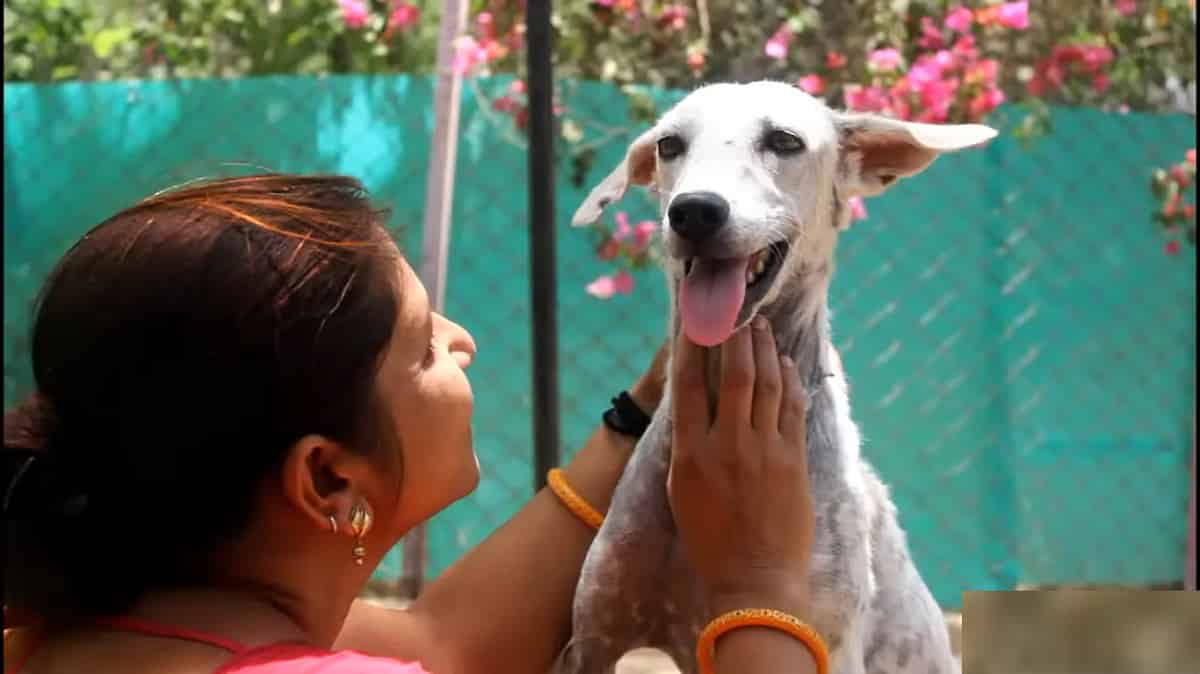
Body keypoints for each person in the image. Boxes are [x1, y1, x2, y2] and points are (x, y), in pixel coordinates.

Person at [2, 174, 819, 674]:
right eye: (423, 343)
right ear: (328, 477)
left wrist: (638, 417)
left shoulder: (82, 624)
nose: (462, 340)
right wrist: (759, 589)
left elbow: (448, 648)